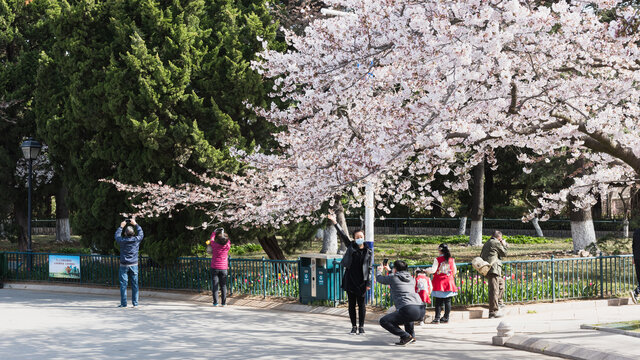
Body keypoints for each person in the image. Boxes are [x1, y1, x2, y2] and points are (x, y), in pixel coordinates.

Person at [327, 214, 373, 335]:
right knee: (351, 304)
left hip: (362, 281)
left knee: (361, 305)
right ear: (354, 238)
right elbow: (342, 235)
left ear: (364, 237)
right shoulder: (351, 246)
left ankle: (362, 327)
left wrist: (368, 283)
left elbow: (369, 268)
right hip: (350, 279)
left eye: (361, 236)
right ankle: (353, 326)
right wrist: (335, 222)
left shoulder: (368, 251)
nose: (359, 238)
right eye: (357, 237)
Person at [377, 260, 426, 346]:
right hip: (421, 308)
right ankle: (412, 337)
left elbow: (380, 279)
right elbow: (399, 277)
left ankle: (406, 336)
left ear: (395, 269)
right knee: (407, 317)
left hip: (409, 309)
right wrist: (390, 270)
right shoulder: (411, 278)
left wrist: (379, 271)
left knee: (384, 321)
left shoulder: (393, 278)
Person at [115, 219, 144, 308]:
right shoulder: (136, 240)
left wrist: (121, 226)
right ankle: (135, 304)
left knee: (123, 285)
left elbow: (116, 236)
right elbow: (141, 233)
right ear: (133, 233)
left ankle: (124, 304)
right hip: (134, 264)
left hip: (124, 264)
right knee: (135, 284)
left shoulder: (122, 241)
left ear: (125, 233)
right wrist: (136, 224)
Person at [426, 244, 458, 323]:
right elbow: (454, 271)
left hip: (439, 282)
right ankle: (446, 318)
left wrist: (426, 270)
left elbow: (433, 270)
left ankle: (437, 318)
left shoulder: (437, 259)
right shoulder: (451, 259)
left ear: (440, 250)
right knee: (448, 301)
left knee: (438, 301)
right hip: (449, 282)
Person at [480, 230, 508, 318]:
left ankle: (499, 302)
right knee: (494, 290)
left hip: (491, 269)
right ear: (499, 237)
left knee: (501, 284)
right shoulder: (495, 242)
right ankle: (493, 311)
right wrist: (504, 244)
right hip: (493, 269)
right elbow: (504, 253)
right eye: (501, 238)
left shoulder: (488, 242)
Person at [210, 228, 231, 307]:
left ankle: (215, 302)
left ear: (218, 240)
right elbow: (228, 240)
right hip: (223, 268)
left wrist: (214, 232)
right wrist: (223, 234)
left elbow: (211, 239)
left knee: (215, 285)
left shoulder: (214, 245)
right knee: (223, 286)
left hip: (214, 267)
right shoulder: (227, 246)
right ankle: (224, 303)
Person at [630, 227, 640, 303]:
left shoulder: (636, 231)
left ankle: (636, 294)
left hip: (637, 257)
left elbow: (633, 245)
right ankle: (636, 292)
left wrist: (634, 257)